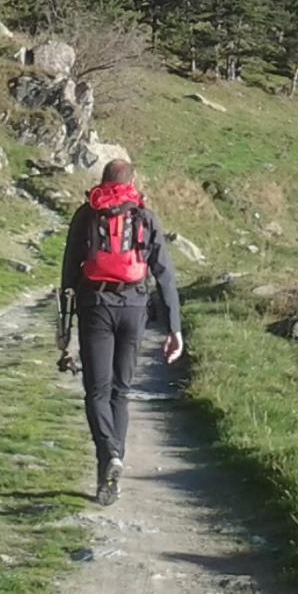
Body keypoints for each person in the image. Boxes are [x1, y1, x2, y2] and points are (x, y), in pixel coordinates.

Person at [57, 157, 183, 506]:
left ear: (102, 180)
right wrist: (174, 328)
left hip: (95, 307)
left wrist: (64, 324)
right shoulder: (144, 216)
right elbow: (165, 275)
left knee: (96, 392)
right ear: (133, 181)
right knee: (120, 393)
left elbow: (69, 270)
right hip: (134, 308)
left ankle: (109, 456)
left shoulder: (87, 214)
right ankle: (112, 473)